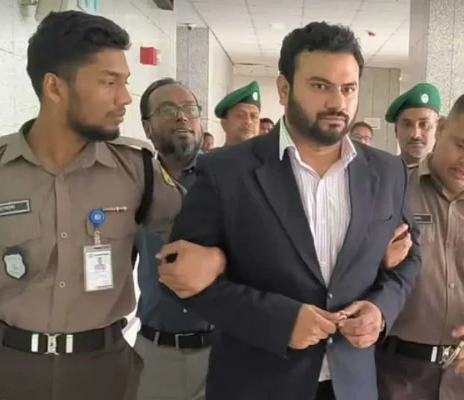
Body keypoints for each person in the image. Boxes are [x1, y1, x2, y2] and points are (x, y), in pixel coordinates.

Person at [157, 21, 422, 400]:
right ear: (284, 89)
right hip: (258, 382)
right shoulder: (226, 171)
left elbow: (410, 259)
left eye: (348, 88)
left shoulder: (388, 172)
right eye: (320, 86)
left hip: (353, 383)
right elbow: (177, 278)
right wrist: (277, 321)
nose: (338, 102)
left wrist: (381, 310)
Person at [0, 11, 224, 400]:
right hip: (10, 367)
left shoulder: (136, 169)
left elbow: (202, 236)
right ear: (54, 87)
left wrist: (215, 258)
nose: (124, 98)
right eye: (109, 82)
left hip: (104, 370)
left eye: (125, 82)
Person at [376, 91, 464, 400]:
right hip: (397, 376)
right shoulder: (393, 191)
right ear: (440, 130)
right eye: (461, 145)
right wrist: (379, 262)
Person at [134, 78, 212, 400]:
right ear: (147, 126)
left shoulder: (226, 179)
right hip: (156, 355)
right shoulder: (134, 184)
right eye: (168, 110)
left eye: (190, 109)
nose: (182, 116)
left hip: (223, 352)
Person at [386, 83, 441, 166]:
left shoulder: (448, 173)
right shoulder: (383, 172)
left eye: (424, 125)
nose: (416, 135)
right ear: (396, 130)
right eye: (407, 125)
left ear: (438, 130)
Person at [215, 80, 261, 145]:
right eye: (240, 115)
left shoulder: (268, 152)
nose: (248, 121)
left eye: (254, 116)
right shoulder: (215, 153)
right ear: (224, 124)